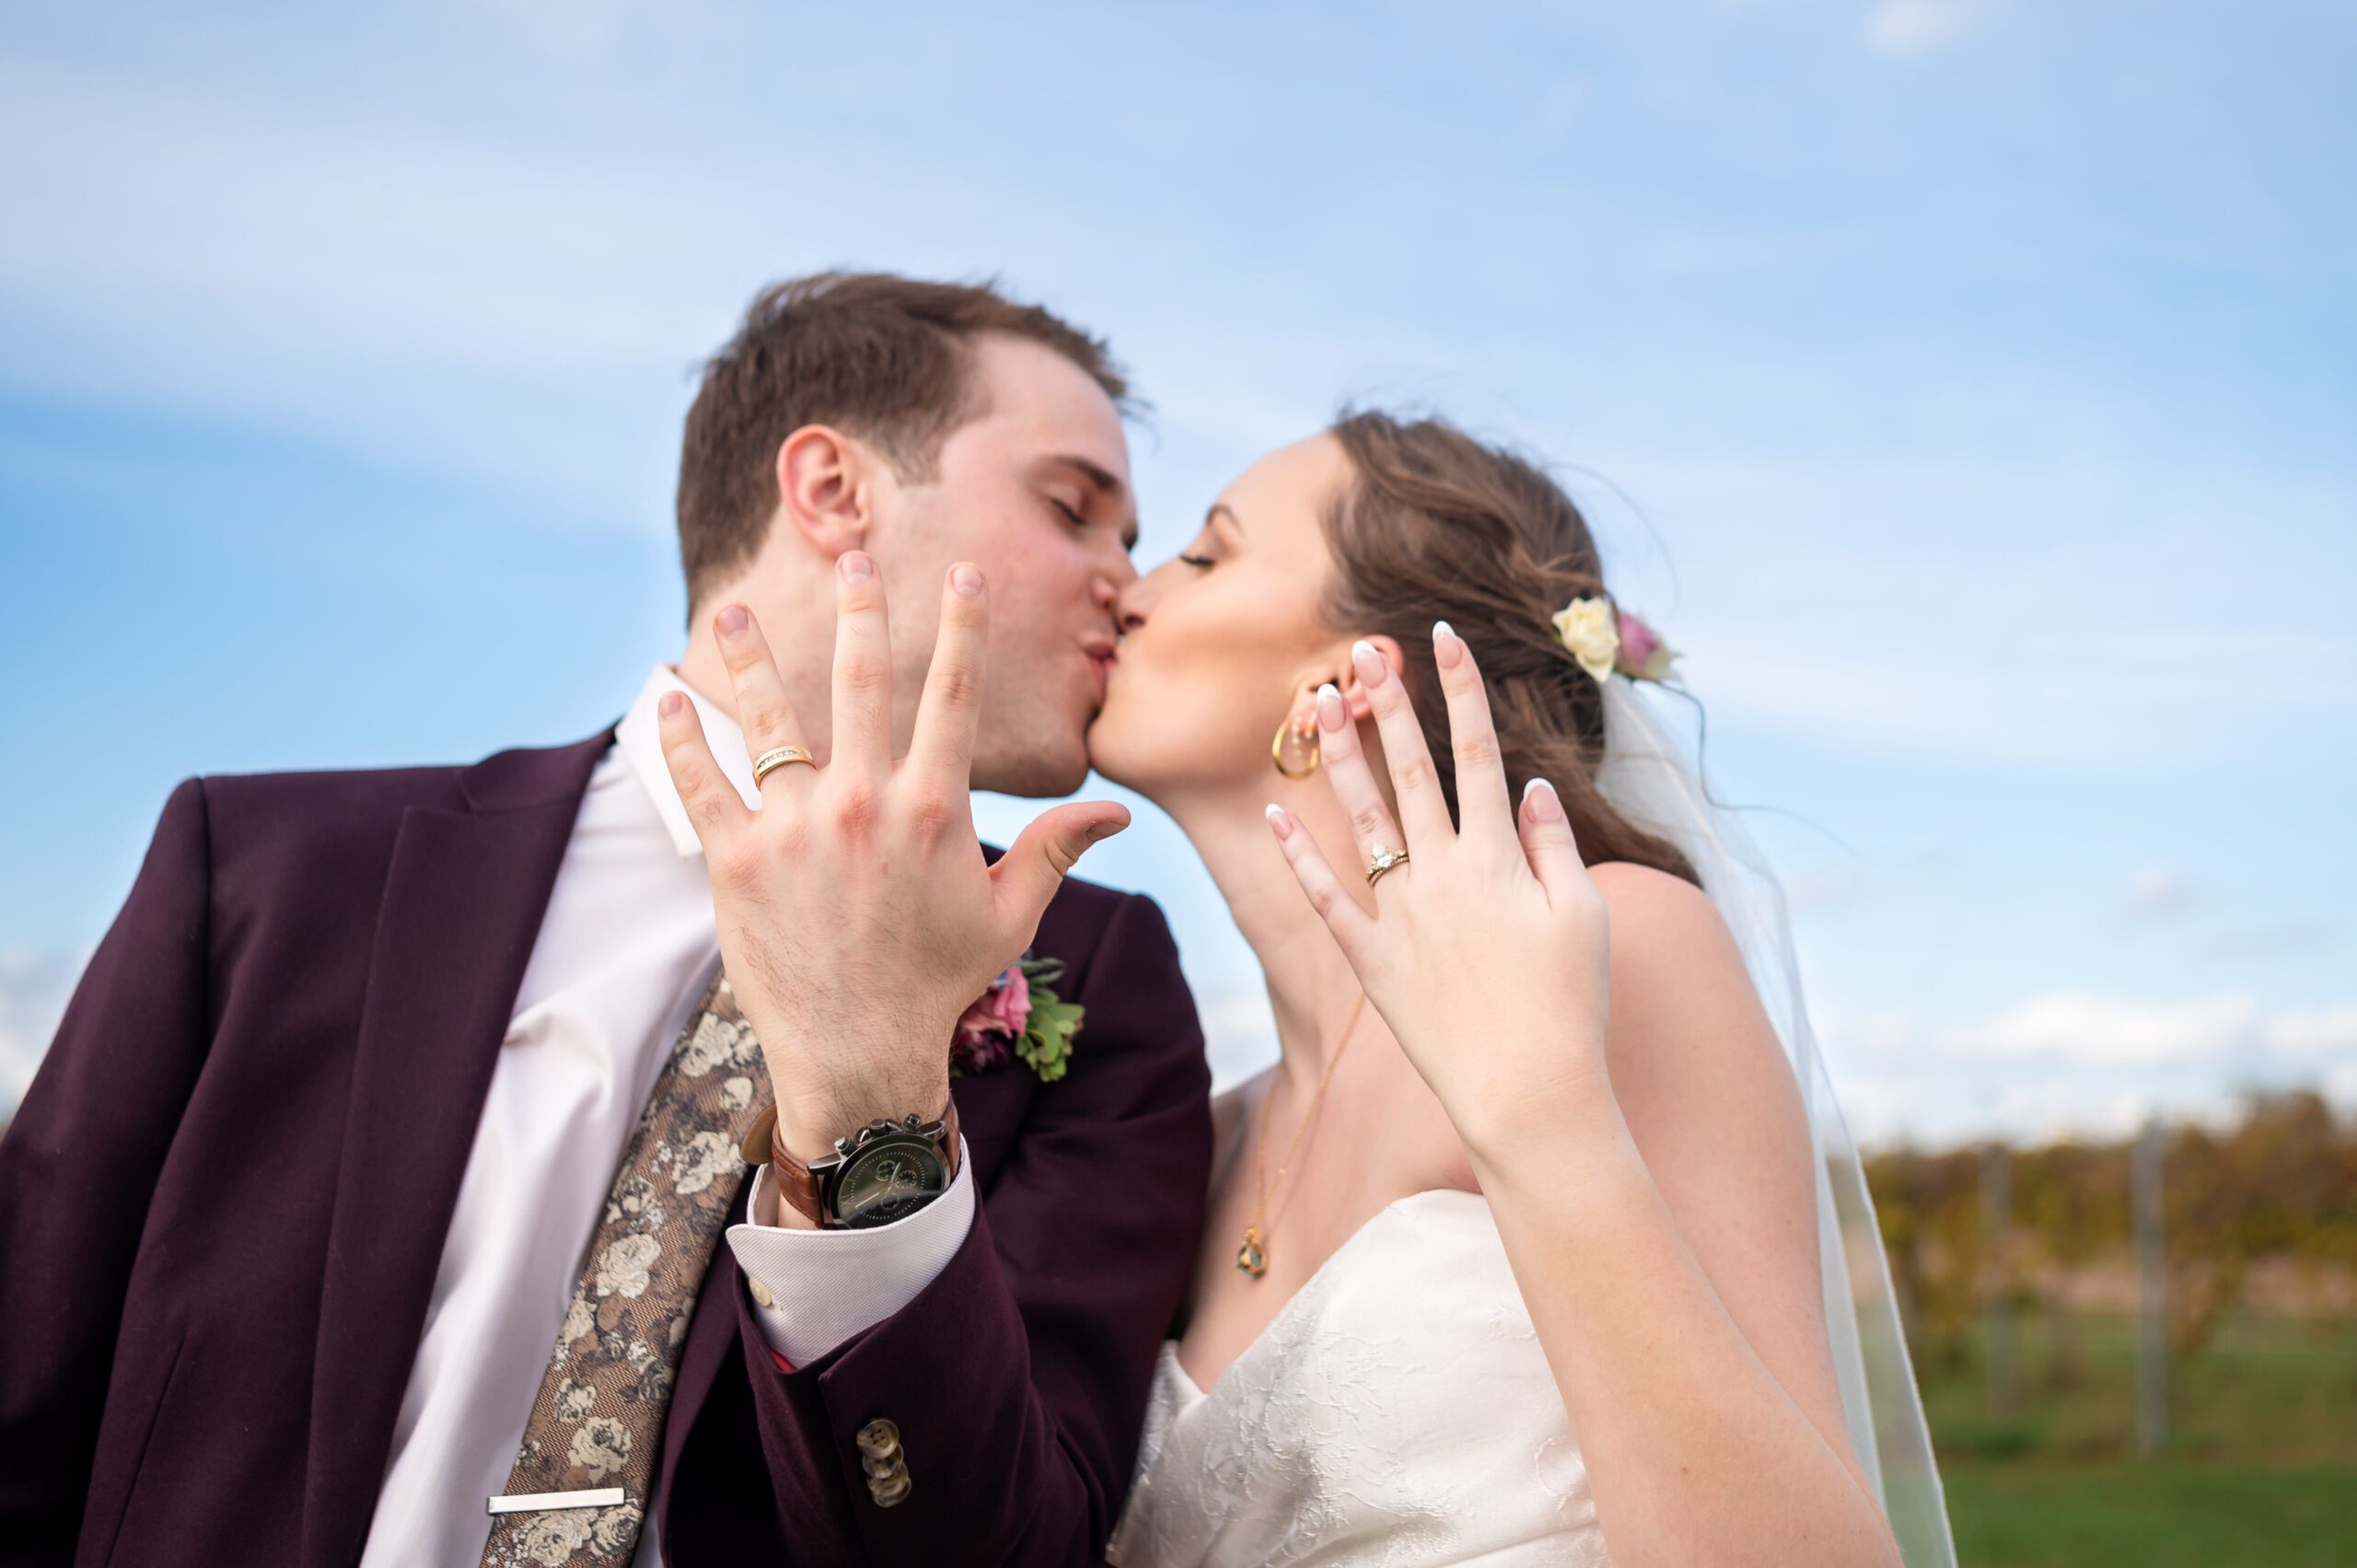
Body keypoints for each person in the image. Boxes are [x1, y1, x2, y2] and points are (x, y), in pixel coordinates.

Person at [0, 272, 1213, 1566]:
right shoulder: (263, 869)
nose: (1128, 588)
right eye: (1076, 509)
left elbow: (1012, 1546)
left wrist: (876, 1122)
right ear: (832, 490)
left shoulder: (1107, 983)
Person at [1089, 414, 1956, 1565]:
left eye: (1204, 552)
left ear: (1342, 678)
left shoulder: (1621, 953)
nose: (1129, 592)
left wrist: (1538, 1116)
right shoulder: (1205, 1132)